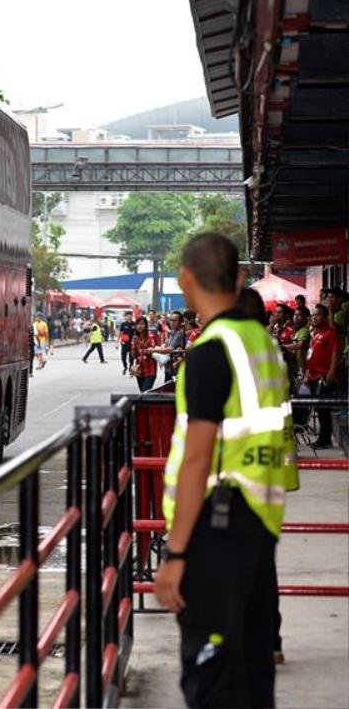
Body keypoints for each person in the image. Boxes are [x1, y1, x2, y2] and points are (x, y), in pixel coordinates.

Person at [154, 233, 293, 708]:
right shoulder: (265, 344)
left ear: (185, 280)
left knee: (212, 676)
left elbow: (197, 458)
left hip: (217, 527)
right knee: (252, 673)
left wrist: (174, 555)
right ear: (237, 279)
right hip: (259, 522)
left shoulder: (211, 352)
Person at [301, 304, 341, 449]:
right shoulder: (316, 334)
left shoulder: (331, 333)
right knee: (318, 408)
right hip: (313, 377)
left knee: (323, 409)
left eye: (317, 315)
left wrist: (331, 372)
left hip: (324, 376)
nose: (314, 317)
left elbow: (335, 353)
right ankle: (323, 438)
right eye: (313, 315)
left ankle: (325, 440)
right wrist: (307, 374)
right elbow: (310, 356)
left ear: (324, 317)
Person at [129, 317, 161, 392]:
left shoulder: (151, 337)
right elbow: (133, 356)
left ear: (146, 325)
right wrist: (133, 345)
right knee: (142, 392)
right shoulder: (135, 338)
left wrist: (142, 346)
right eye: (138, 324)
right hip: (139, 369)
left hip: (150, 369)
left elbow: (153, 350)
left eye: (142, 324)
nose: (140, 326)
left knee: (146, 391)